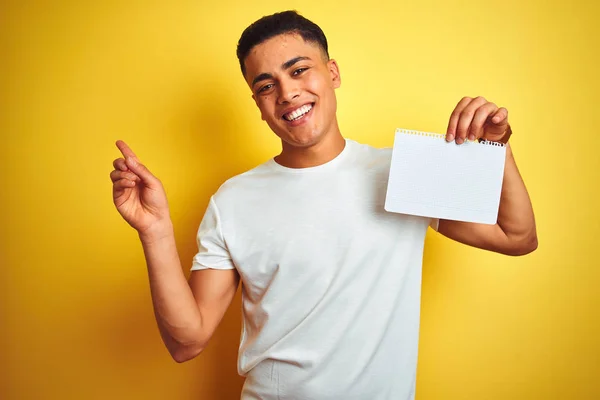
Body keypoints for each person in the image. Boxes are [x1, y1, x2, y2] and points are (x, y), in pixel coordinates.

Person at [110, 10, 537, 400]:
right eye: (266, 86)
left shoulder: (402, 172)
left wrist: (496, 153)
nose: (287, 93)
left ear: (332, 72)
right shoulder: (233, 200)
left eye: (298, 70)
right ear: (258, 105)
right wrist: (156, 232)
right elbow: (187, 341)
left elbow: (517, 236)